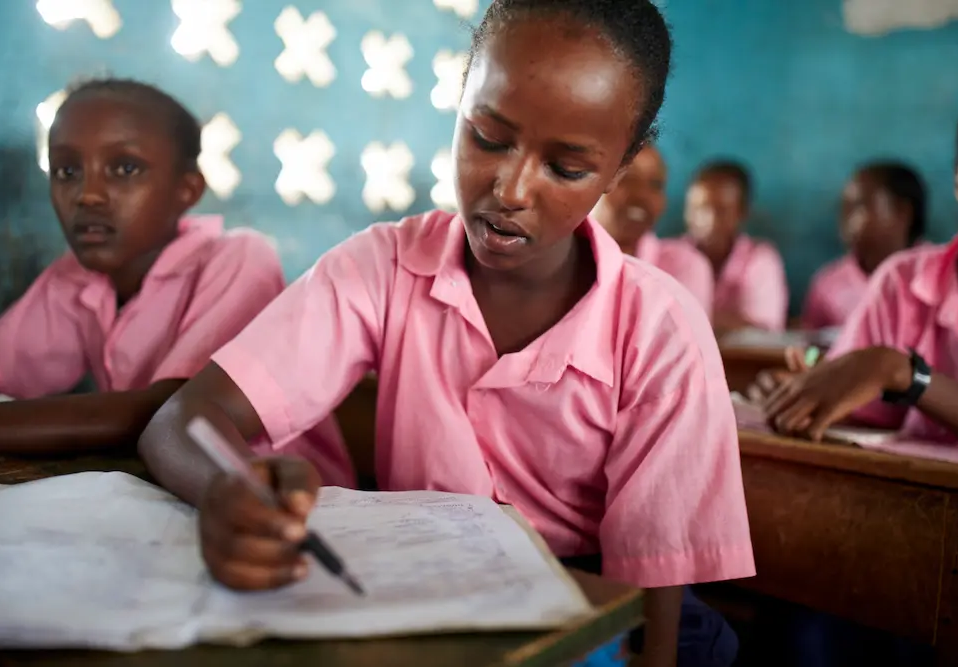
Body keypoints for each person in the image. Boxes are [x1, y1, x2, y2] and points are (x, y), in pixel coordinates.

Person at [138, 2, 754, 666]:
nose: (510, 188)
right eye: (487, 136)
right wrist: (224, 492)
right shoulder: (383, 267)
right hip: (431, 599)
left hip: (600, 605)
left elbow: (648, 602)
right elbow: (182, 419)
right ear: (460, 100)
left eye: (566, 168)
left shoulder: (661, 328)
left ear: (620, 166)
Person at [0, 78, 285, 455]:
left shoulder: (240, 259)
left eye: (125, 169)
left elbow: (168, 412)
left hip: (291, 498)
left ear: (187, 190)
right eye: (67, 171)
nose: (88, 195)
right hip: (167, 487)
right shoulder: (77, 278)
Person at [763, 105, 958, 447]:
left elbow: (889, 370)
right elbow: (865, 408)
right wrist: (808, 390)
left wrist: (903, 372)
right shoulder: (902, 283)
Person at [802, 162, 928, 330]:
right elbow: (810, 350)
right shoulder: (828, 284)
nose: (846, 219)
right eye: (843, 209)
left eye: (858, 207)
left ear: (902, 211)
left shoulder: (938, 276)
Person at [593, 143, 714, 314]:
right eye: (626, 179)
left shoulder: (683, 266)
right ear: (587, 187)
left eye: (655, 184)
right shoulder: (558, 261)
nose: (642, 195)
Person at [682, 160, 788, 333]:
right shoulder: (671, 256)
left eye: (721, 211)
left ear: (742, 212)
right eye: (698, 208)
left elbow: (765, 331)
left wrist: (693, 314)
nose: (707, 221)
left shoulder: (761, 259)